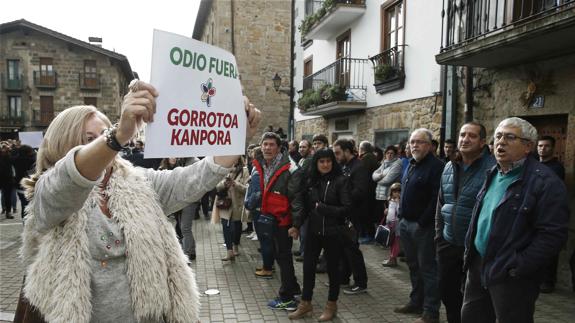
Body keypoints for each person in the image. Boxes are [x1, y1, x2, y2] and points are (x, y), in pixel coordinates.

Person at [16, 80, 261, 323]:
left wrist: (236, 135)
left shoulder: (138, 183)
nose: (103, 143)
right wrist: (118, 134)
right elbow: (70, 177)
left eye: (103, 134)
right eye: (89, 138)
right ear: (63, 143)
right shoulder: (48, 191)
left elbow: (195, 177)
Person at [461, 118, 569, 323]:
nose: (501, 142)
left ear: (528, 146)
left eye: (510, 137)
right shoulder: (493, 172)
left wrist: (518, 266)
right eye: (499, 136)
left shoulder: (546, 183)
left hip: (510, 273)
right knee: (471, 317)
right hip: (479, 264)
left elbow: (552, 235)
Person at [435, 122, 495, 323]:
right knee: (447, 293)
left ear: (483, 142)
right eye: (462, 134)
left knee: (475, 302)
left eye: (472, 136)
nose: (465, 139)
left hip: (476, 248)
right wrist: (439, 236)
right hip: (448, 242)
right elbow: (441, 203)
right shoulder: (449, 166)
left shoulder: (493, 168)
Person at [288, 148, 351, 321]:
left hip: (334, 232)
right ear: (316, 163)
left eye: (328, 161)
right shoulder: (311, 181)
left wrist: (325, 209)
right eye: (321, 161)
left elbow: (347, 208)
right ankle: (305, 303)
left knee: (333, 270)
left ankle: (332, 305)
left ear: (333, 162)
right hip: (313, 231)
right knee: (308, 268)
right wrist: (296, 225)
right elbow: (304, 206)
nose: (325, 164)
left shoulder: (341, 180)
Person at [394, 128, 444, 323]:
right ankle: (416, 302)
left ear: (430, 146)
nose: (415, 145)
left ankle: (431, 312)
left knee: (428, 269)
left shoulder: (437, 166)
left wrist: (423, 221)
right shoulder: (411, 164)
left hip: (423, 226)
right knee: (413, 266)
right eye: (412, 141)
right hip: (406, 223)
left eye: (420, 142)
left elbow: (436, 199)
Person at [252, 132, 304, 311]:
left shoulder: (290, 168)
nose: (267, 148)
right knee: (279, 256)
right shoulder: (261, 163)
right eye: (264, 144)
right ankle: (295, 288)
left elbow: (297, 199)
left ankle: (288, 298)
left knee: (284, 258)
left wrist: (296, 225)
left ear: (279, 147)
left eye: (271, 145)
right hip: (269, 218)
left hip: (284, 221)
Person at [333, 139, 369, 295]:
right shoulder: (344, 166)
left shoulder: (359, 167)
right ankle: (343, 278)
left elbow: (360, 192)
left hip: (354, 215)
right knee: (342, 248)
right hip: (343, 214)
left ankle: (361, 283)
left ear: (348, 151)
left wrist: (341, 198)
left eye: (338, 153)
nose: (336, 156)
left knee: (352, 250)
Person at [536, 135, 565, 293]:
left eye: (546, 146)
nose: (542, 148)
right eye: (540, 146)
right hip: (534, 211)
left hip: (549, 211)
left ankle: (548, 281)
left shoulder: (557, 167)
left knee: (549, 248)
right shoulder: (533, 164)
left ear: (552, 148)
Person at [213, 157, 250, 261]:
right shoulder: (224, 170)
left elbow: (247, 189)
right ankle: (229, 251)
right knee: (225, 226)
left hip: (237, 204)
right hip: (225, 203)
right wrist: (224, 183)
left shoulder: (245, 171)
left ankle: (235, 245)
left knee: (236, 227)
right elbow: (217, 186)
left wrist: (235, 184)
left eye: (234, 160)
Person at [372, 145, 402, 225]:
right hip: (379, 196)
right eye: (387, 153)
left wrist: (377, 180)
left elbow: (388, 180)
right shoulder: (384, 163)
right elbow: (374, 175)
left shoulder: (397, 164)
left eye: (392, 153)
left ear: (395, 155)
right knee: (379, 221)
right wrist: (380, 176)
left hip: (388, 197)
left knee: (388, 221)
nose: (389, 155)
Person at [358, 141, 379, 244]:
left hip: (367, 191)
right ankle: (367, 234)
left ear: (362, 149)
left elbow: (363, 176)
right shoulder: (371, 157)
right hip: (371, 190)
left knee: (367, 214)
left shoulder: (367, 158)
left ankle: (369, 236)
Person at [12, 145, 37, 220]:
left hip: (19, 185)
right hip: (30, 185)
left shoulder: (14, 160)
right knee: (32, 205)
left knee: (24, 205)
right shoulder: (32, 160)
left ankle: (25, 222)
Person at [382, 183, 401, 267]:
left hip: (396, 225)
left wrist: (398, 204)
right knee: (391, 241)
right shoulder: (390, 201)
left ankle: (392, 258)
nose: (396, 193)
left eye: (399, 191)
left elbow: (399, 212)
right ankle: (393, 258)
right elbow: (390, 213)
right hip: (390, 224)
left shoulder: (400, 202)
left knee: (396, 242)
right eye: (395, 191)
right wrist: (386, 211)